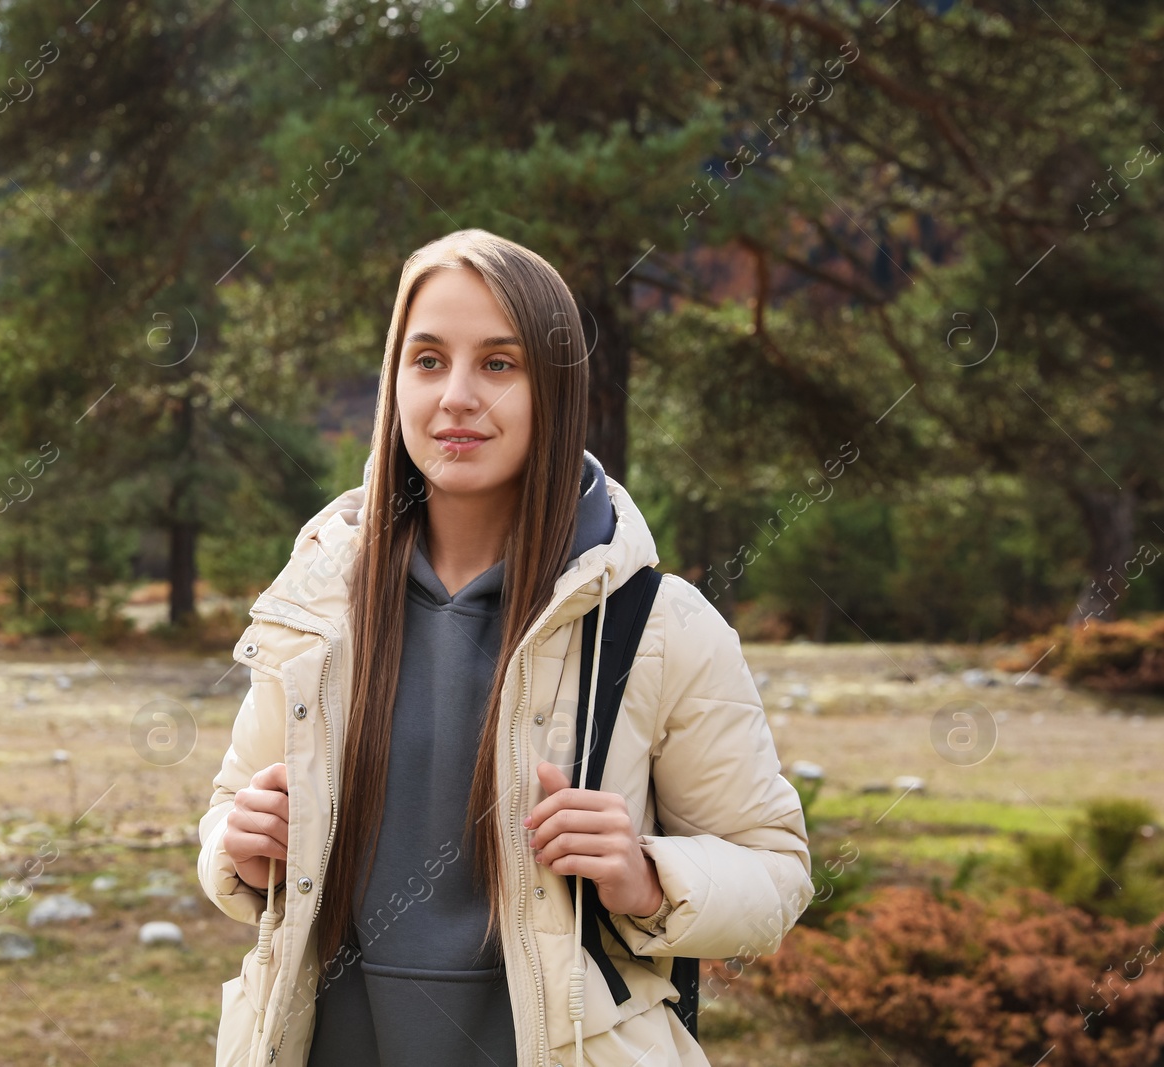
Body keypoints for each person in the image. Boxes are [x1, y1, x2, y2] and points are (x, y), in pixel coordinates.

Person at [197, 229, 813, 1067]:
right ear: (393, 383)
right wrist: (237, 844)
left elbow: (776, 870)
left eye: (498, 363)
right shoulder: (318, 606)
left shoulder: (659, 621)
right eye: (427, 359)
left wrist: (644, 873)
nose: (456, 396)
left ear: (554, 389)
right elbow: (231, 819)